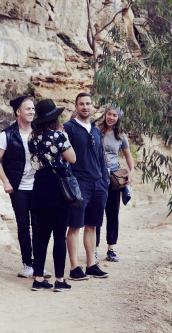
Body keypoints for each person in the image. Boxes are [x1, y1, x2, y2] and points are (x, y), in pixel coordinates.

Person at [0, 95, 46, 279]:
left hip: (39, 186)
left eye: (33, 109)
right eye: (28, 109)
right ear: (18, 112)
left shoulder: (39, 132)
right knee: (24, 225)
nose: (32, 112)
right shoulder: (6, 135)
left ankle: (39, 265)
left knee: (39, 225)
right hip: (19, 187)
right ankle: (27, 264)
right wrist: (6, 181)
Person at [29, 99, 76, 291]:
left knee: (41, 236)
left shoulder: (32, 137)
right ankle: (59, 279)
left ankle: (38, 279)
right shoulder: (59, 136)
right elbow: (72, 158)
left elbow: (33, 163)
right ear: (54, 118)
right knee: (59, 236)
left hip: (39, 187)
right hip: (58, 189)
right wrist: (65, 138)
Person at [64, 92, 110, 280]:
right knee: (75, 226)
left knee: (92, 226)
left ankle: (91, 264)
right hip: (79, 183)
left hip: (98, 184)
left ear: (92, 106)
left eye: (88, 104)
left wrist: (104, 182)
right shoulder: (69, 128)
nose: (85, 107)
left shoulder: (97, 130)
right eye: (81, 104)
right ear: (76, 107)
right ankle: (75, 267)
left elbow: (101, 157)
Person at [95, 106, 134, 262]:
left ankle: (111, 249)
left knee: (112, 214)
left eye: (114, 115)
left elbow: (128, 156)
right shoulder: (96, 131)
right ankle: (94, 248)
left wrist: (131, 172)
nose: (111, 117)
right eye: (109, 114)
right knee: (96, 214)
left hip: (114, 178)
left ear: (118, 118)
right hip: (97, 176)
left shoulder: (120, 136)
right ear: (105, 115)